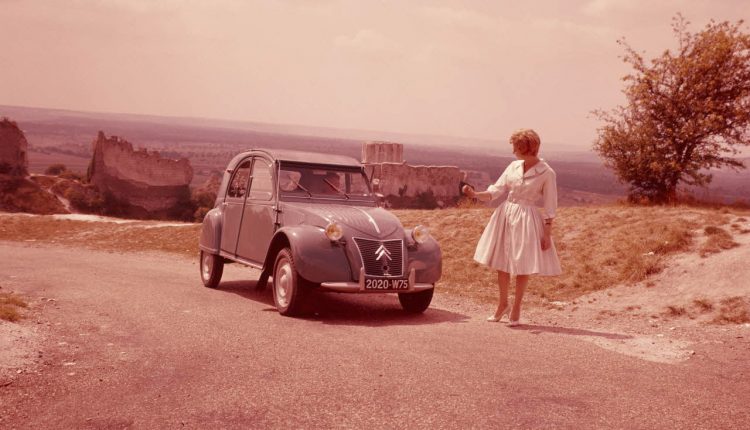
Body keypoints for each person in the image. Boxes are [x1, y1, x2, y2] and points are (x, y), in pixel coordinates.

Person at [462, 129, 561, 326]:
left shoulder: (546, 173)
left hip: (527, 218)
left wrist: (547, 233)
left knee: (522, 263)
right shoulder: (513, 166)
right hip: (506, 214)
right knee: (502, 261)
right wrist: (475, 195)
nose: (513, 151)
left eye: (515, 147)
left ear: (526, 148)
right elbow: (496, 191)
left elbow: (550, 204)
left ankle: (516, 307)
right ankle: (502, 304)